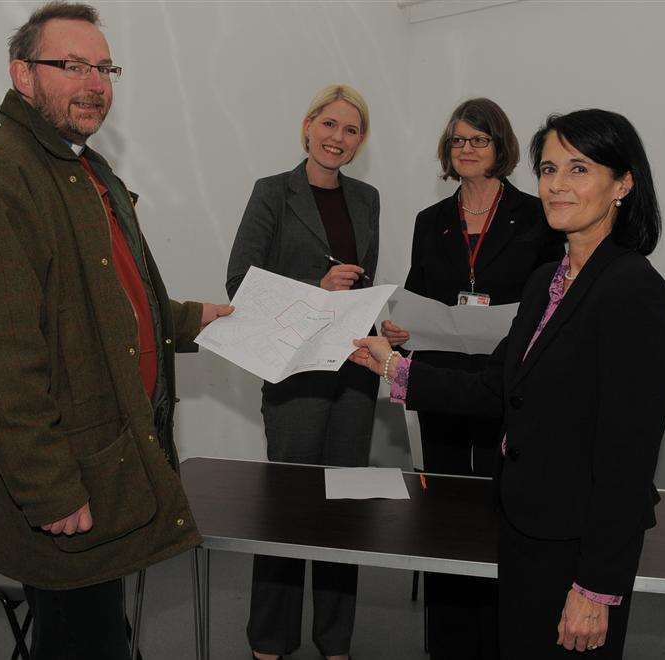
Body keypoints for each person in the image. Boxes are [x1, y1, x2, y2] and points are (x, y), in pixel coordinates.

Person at [0, 4, 232, 658]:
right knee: (83, 645)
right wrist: (49, 487)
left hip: (113, 459)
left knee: (99, 638)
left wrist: (192, 319)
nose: (95, 82)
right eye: (71, 65)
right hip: (70, 480)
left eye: (104, 67)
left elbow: (114, 301)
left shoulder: (86, 169)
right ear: (22, 75)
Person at [354, 109, 665, 658]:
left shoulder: (632, 289)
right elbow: (496, 388)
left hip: (578, 548)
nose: (556, 185)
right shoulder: (546, 282)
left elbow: (627, 458)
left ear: (624, 183)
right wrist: (393, 366)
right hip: (525, 525)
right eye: (549, 169)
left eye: (579, 169)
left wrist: (596, 589)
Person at [381, 98, 563, 660]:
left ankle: (500, 642)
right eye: (458, 140)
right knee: (442, 522)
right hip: (439, 383)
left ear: (500, 146)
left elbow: (549, 299)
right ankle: (449, 645)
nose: (467, 149)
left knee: (497, 518)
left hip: (503, 384)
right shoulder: (429, 221)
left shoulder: (537, 217)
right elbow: (419, 293)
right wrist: (398, 325)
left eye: (479, 140)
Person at [226, 84, 378, 660]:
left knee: (345, 515)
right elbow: (239, 281)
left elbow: (364, 283)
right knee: (288, 510)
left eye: (352, 130)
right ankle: (270, 639)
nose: (339, 138)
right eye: (331, 125)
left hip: (354, 373)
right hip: (294, 371)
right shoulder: (272, 192)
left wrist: (378, 322)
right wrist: (315, 290)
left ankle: (335, 641)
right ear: (309, 126)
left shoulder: (368, 199)